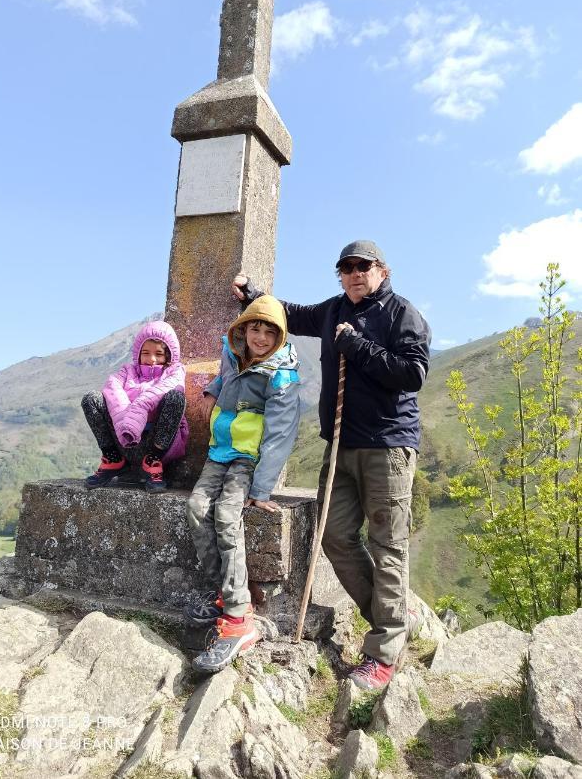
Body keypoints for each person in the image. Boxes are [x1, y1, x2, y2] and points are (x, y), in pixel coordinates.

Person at [232, 240, 431, 689]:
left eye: (364, 266)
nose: (355, 273)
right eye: (347, 267)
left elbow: (412, 374)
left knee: (387, 546)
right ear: (340, 274)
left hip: (388, 447)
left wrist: (356, 346)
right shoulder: (333, 308)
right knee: (335, 536)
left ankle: (383, 651)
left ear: (383, 270)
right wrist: (253, 296)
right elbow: (293, 314)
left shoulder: (403, 314)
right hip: (340, 447)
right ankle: (390, 618)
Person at [185, 295, 301, 673]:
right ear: (243, 329)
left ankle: (239, 620)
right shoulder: (233, 354)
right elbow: (228, 378)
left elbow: (282, 432)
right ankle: (226, 590)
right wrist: (213, 390)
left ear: (280, 336)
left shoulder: (281, 374)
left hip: (247, 459)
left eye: (271, 331)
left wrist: (262, 488)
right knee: (197, 508)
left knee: (226, 516)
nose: (262, 337)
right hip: (219, 451)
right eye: (255, 327)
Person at [81, 320, 188, 493]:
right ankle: (112, 458)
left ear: (168, 356)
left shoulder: (175, 371)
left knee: (176, 397)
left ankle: (153, 461)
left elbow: (163, 389)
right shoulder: (127, 372)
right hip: (123, 438)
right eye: (145, 353)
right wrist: (126, 421)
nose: (151, 359)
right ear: (138, 354)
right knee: (92, 399)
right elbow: (112, 388)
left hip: (156, 442)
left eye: (158, 354)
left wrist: (139, 410)